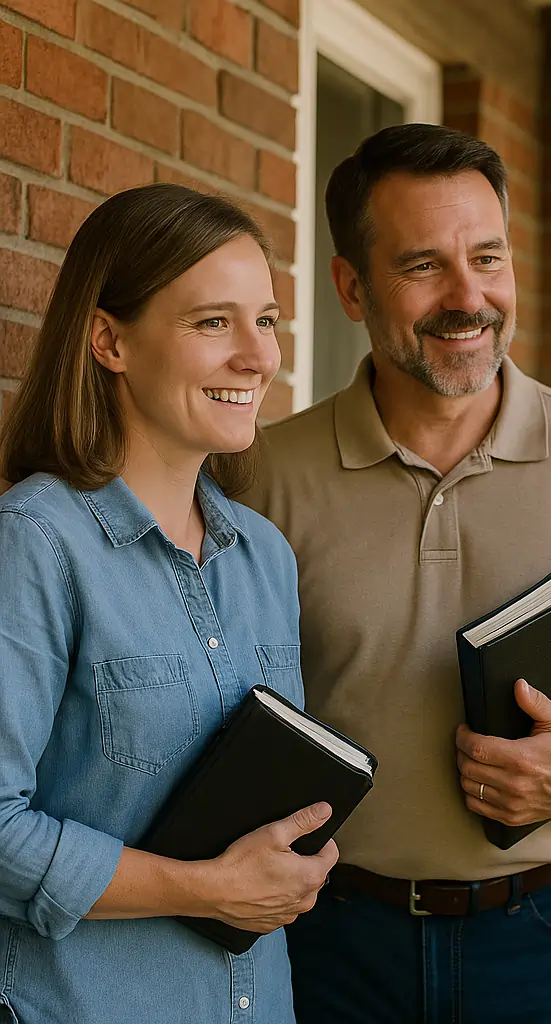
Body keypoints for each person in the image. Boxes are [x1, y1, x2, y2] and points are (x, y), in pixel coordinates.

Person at [242, 123, 551, 1023]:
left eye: (488, 258)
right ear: (351, 285)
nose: (470, 298)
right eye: (424, 265)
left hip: (540, 932)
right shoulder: (264, 475)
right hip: (328, 935)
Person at [0, 183, 338, 1024]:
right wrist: (205, 889)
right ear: (110, 339)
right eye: (212, 322)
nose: (258, 357)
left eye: (266, 321)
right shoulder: (36, 543)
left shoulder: (265, 555)